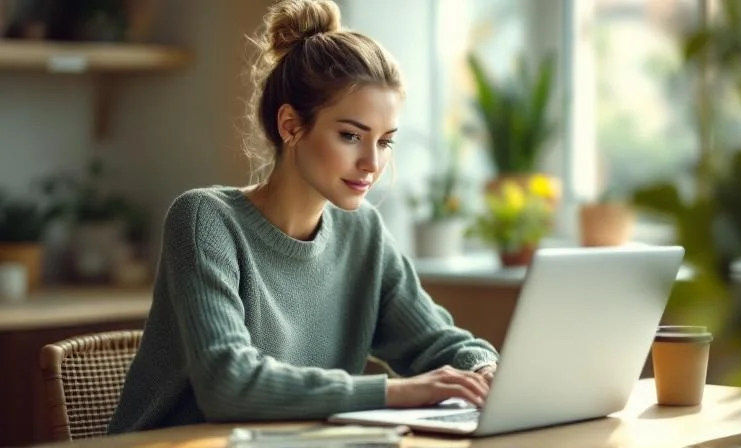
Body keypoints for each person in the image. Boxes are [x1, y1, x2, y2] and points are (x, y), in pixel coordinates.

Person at [109, 0, 499, 433]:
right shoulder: (205, 220)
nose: (372, 162)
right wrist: (393, 391)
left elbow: (434, 341)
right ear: (291, 126)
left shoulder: (362, 231)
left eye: (386, 141)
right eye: (351, 135)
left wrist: (484, 370)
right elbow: (227, 384)